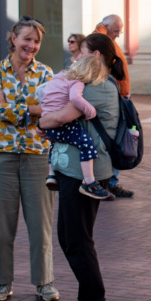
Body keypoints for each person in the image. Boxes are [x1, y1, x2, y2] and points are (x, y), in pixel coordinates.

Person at [39, 33, 125, 301]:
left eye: (81, 53)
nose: (75, 58)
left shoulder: (98, 88)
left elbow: (57, 118)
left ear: (97, 56)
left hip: (84, 173)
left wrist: (39, 121)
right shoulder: (91, 84)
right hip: (73, 170)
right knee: (71, 237)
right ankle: (89, 300)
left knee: (77, 240)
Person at [0, 17, 59, 301]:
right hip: (1, 156)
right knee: (2, 226)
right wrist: (33, 110)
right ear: (13, 38)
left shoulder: (46, 73)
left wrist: (13, 107)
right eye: (27, 38)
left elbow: (52, 109)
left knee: (40, 225)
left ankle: (44, 282)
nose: (32, 45)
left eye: (37, 41)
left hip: (37, 156)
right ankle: (2, 282)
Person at [41, 56, 111, 200]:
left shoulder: (58, 76)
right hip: (62, 125)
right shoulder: (77, 82)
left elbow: (41, 92)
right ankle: (89, 182)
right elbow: (75, 99)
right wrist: (90, 111)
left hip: (49, 123)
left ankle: (52, 175)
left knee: (54, 144)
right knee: (86, 144)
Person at [92, 14, 133, 199]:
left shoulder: (109, 40)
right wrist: (102, 26)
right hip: (111, 99)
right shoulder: (101, 37)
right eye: (116, 30)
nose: (118, 34)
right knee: (112, 140)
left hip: (119, 97)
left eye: (120, 31)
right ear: (106, 26)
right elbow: (94, 36)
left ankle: (111, 181)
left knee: (119, 139)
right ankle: (106, 182)